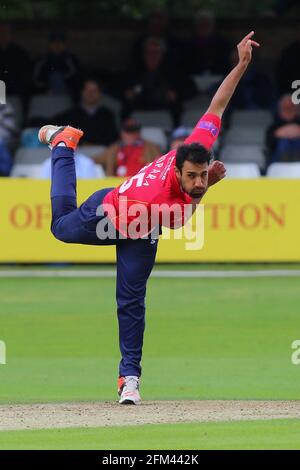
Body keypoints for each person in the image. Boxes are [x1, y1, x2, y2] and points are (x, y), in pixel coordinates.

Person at [38, 32, 259, 405]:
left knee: (131, 301)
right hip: (107, 215)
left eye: (202, 175)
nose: (198, 181)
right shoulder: (162, 197)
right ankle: (64, 144)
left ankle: (130, 378)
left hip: (142, 230)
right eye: (192, 177)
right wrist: (213, 187)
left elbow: (217, 106)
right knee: (61, 228)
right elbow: (182, 218)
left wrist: (241, 65)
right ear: (177, 169)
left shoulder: (196, 151)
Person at [54, 78, 118, 146]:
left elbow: (113, 138)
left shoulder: (107, 115)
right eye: (87, 90)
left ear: (99, 93)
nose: (90, 93)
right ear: (82, 92)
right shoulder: (70, 114)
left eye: (94, 90)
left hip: (102, 152)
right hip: (78, 152)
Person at [93, 118, 160, 176]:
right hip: (118, 185)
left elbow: (161, 164)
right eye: (127, 131)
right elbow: (95, 160)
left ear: (138, 133)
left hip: (141, 184)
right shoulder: (114, 148)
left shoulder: (150, 147)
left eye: (133, 131)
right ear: (122, 133)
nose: (130, 135)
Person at [33, 31, 81, 98]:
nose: (57, 45)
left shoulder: (72, 59)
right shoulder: (42, 60)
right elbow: (36, 79)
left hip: (68, 95)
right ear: (49, 44)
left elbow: (77, 78)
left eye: (60, 42)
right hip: (46, 96)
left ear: (65, 44)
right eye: (54, 42)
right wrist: (46, 88)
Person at [266, 94, 300, 167]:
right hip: (278, 161)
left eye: (291, 103)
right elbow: (269, 143)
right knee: (284, 143)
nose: (288, 105)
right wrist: (278, 134)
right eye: (285, 104)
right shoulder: (274, 126)